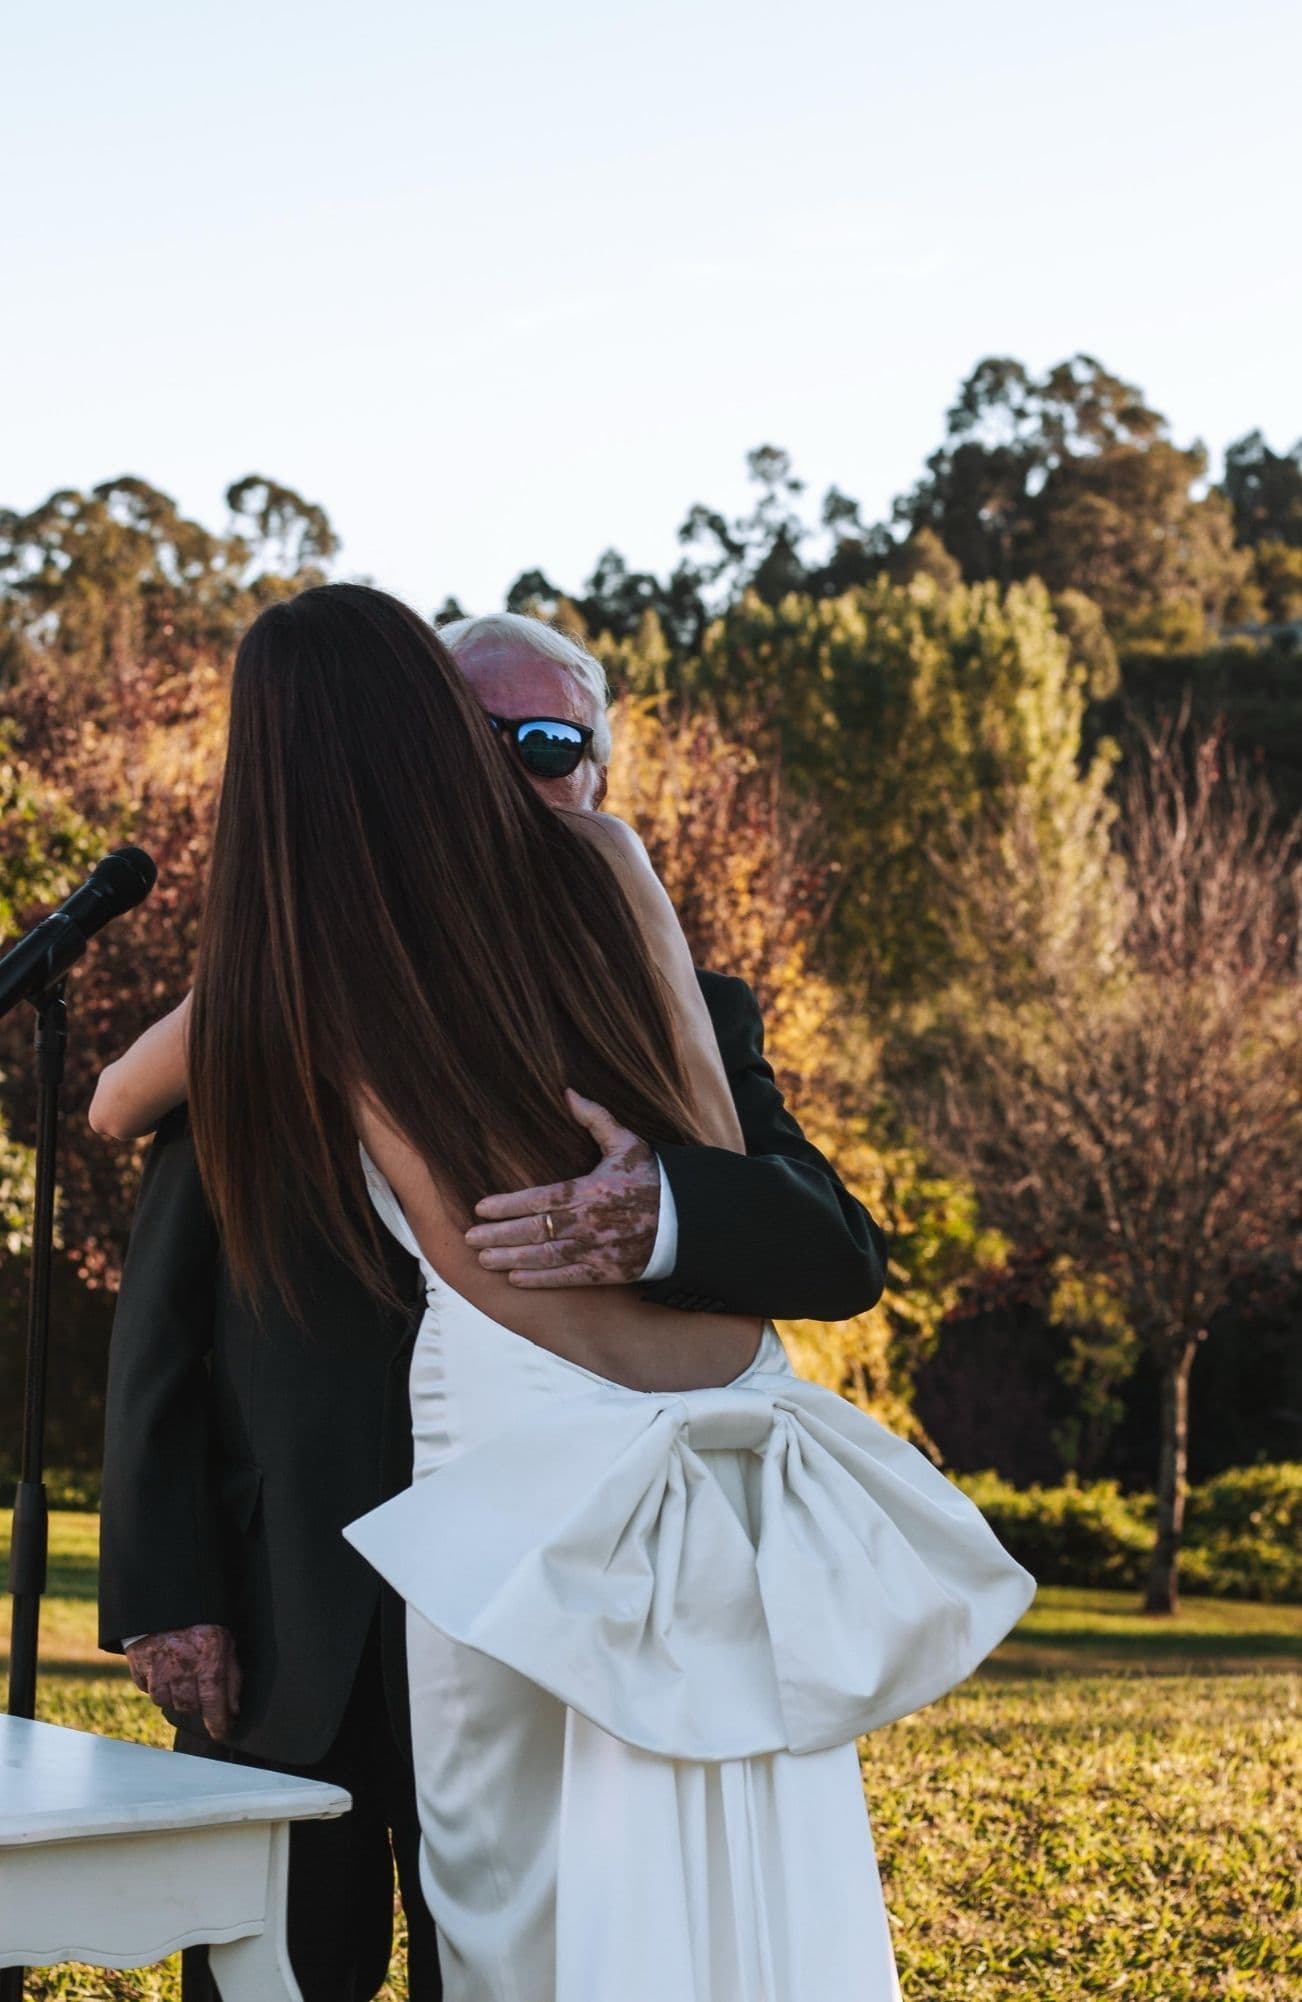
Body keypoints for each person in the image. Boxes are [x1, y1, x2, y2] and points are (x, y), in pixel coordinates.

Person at [94, 583, 1035, 2002]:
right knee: (288, 1962)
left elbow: (831, 1246)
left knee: (550, 1938)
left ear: (597, 766)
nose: (511, 774)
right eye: (474, 742)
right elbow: (162, 1299)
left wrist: (662, 1213)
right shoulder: (291, 968)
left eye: (548, 742)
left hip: (586, 1573)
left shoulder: (681, 987)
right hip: (309, 1599)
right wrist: (170, 1588)